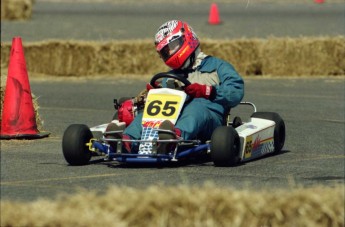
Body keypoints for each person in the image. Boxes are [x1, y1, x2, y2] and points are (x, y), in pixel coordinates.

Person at [108, 20, 244, 153]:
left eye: (172, 46)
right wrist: (151, 96)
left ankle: (173, 140)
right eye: (165, 51)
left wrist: (208, 91)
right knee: (150, 111)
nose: (170, 52)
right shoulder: (168, 77)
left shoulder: (217, 66)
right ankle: (126, 141)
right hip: (172, 120)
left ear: (187, 39)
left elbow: (236, 92)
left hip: (210, 120)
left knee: (197, 106)